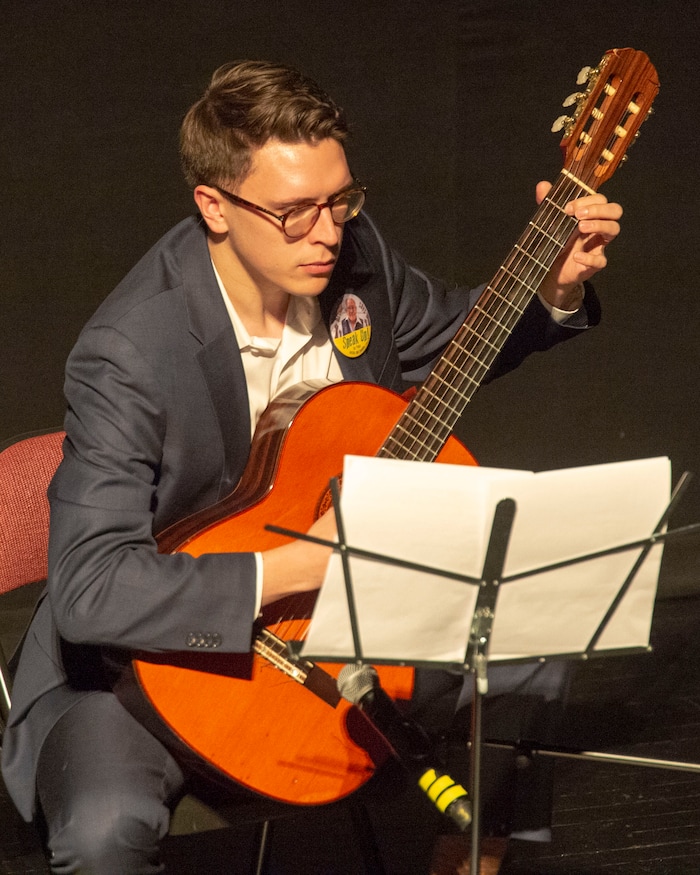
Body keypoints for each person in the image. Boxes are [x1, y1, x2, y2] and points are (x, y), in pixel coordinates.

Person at [1, 59, 622, 874]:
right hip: (144, 662)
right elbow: (90, 589)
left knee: (544, 638)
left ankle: (477, 856)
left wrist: (552, 288)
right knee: (103, 827)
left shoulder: (348, 255)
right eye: (294, 212)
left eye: (341, 200)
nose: (328, 231)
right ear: (214, 207)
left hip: (334, 628)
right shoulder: (130, 352)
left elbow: (454, 335)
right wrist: (298, 561)